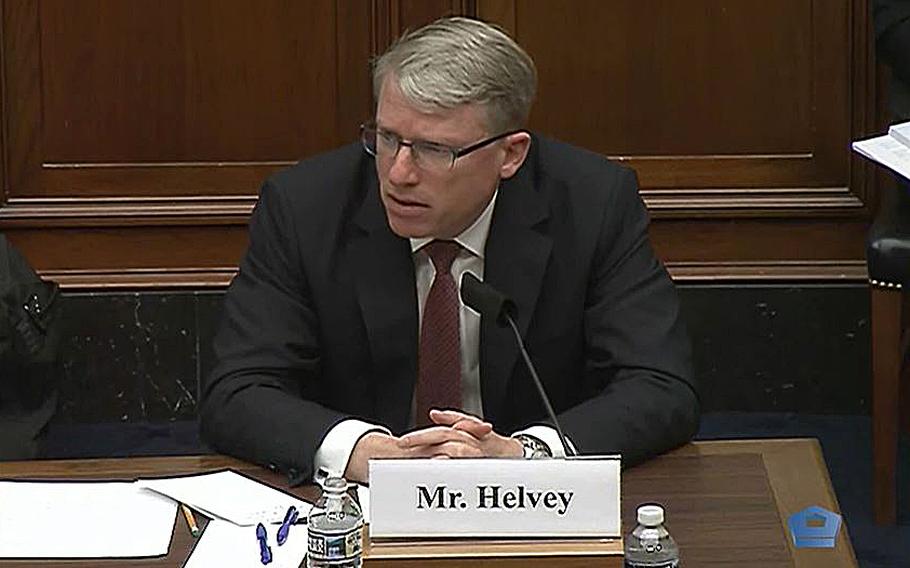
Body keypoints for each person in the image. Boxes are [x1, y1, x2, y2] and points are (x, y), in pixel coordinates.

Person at [200, 16, 699, 485]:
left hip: (530, 509)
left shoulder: (593, 204)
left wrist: (526, 456)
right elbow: (237, 390)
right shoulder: (306, 207)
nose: (398, 173)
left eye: (435, 150)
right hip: (356, 512)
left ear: (510, 154)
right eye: (387, 138)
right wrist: (366, 453)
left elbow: (660, 385)